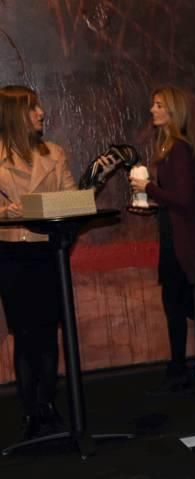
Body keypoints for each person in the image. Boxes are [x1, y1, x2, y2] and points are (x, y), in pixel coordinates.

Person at [0, 85, 77, 439]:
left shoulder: (55, 153)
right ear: (16, 114)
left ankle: (48, 404)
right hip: (13, 252)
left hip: (48, 252)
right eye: (33, 108)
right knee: (25, 335)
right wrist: (8, 210)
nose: (42, 112)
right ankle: (29, 411)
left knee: (49, 333)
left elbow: (72, 198)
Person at [129, 86, 195, 391]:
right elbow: (176, 199)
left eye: (158, 105)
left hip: (184, 244)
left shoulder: (178, 148)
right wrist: (150, 199)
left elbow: (184, 199)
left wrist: (147, 186)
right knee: (177, 306)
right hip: (175, 241)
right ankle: (181, 370)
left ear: (172, 112)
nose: (152, 110)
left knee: (188, 307)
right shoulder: (171, 147)